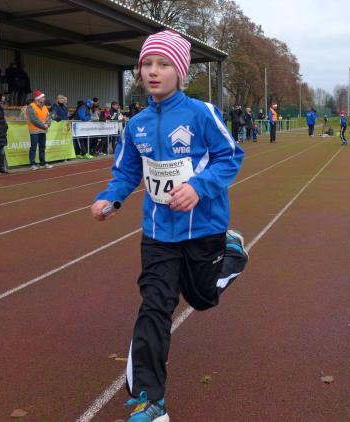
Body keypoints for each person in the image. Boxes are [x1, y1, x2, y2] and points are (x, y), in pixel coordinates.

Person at [91, 30, 246, 422]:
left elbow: (230, 156)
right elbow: (126, 170)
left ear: (181, 72)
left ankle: (231, 253)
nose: (153, 71)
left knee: (202, 299)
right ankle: (149, 401)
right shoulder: (137, 124)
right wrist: (111, 197)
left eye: (163, 64)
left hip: (203, 228)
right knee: (154, 307)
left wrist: (198, 187)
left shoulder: (201, 113)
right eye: (146, 64)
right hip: (158, 233)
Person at [25, 90, 51, 170]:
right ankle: (32, 164)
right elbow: (33, 119)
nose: (44, 98)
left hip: (43, 130)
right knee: (33, 147)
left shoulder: (44, 107)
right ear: (37, 98)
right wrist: (44, 126)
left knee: (42, 147)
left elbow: (48, 117)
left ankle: (42, 163)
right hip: (34, 131)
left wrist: (48, 124)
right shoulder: (31, 106)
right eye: (42, 97)